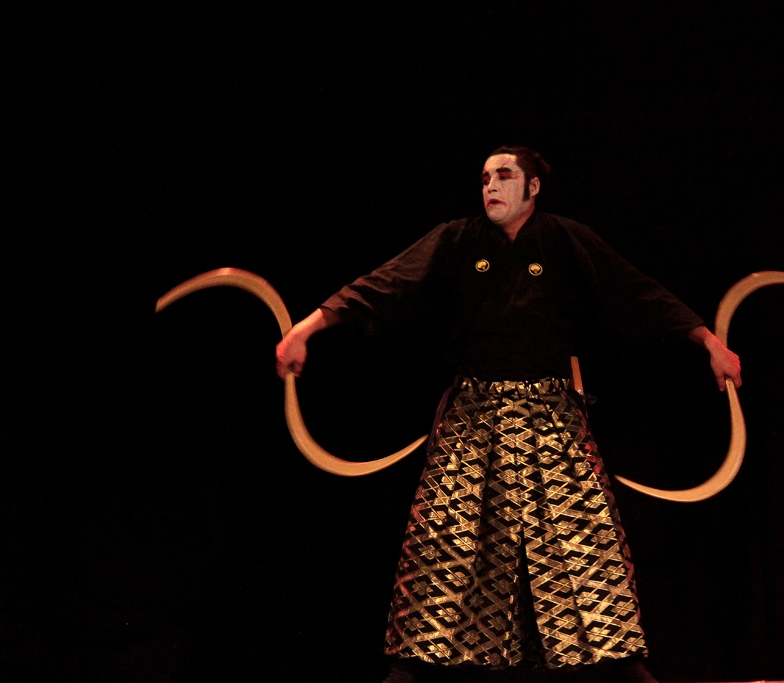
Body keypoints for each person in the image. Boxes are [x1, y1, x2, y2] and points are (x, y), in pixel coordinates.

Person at [275, 147, 741, 682]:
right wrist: (304, 331)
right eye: (484, 178)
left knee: (583, 535)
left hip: (550, 408)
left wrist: (708, 341)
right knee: (445, 536)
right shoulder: (457, 238)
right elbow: (385, 284)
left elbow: (634, 291)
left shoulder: (566, 237)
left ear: (533, 187)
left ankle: (625, 665)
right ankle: (410, 667)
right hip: (475, 408)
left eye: (504, 176)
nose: (490, 186)